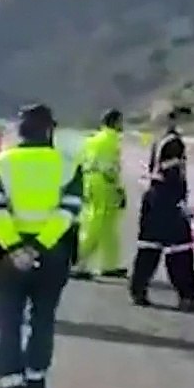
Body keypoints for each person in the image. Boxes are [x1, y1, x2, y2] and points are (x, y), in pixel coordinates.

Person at [0, 104, 82, 388]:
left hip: (7, 258)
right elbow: (68, 213)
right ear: (49, 130)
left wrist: (16, 248)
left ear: (19, 131)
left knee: (7, 325)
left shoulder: (0, 164)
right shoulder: (68, 165)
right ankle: (35, 386)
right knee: (43, 320)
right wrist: (39, 246)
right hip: (52, 256)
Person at [128, 107, 194, 312]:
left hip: (154, 198)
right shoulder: (174, 143)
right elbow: (172, 173)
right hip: (167, 199)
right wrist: (180, 203)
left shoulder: (159, 141)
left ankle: (138, 289)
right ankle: (188, 296)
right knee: (180, 250)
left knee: (150, 246)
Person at [71, 109, 127, 280]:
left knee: (107, 227)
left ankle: (109, 265)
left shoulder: (91, 140)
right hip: (104, 184)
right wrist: (118, 189)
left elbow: (80, 162)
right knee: (98, 224)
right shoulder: (111, 140)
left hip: (90, 181)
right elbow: (111, 167)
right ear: (115, 122)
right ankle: (79, 263)